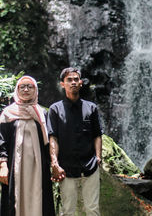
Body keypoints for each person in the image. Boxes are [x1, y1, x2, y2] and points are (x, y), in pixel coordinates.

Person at [47, 67, 103, 216]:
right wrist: (55, 163)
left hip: (90, 165)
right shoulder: (55, 109)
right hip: (66, 167)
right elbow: (53, 138)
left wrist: (98, 157)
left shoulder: (91, 108)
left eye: (76, 79)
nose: (73, 82)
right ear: (62, 84)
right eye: (69, 80)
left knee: (92, 209)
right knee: (68, 210)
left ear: (81, 83)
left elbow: (97, 135)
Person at [0, 75, 55, 216]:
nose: (26, 89)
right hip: (14, 167)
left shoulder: (42, 114)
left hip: (38, 168)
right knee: (15, 198)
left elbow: (50, 141)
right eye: (22, 86)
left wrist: (54, 164)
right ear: (17, 90)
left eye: (29, 86)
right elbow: (1, 142)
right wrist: (3, 165)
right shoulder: (7, 114)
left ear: (35, 90)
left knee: (39, 197)